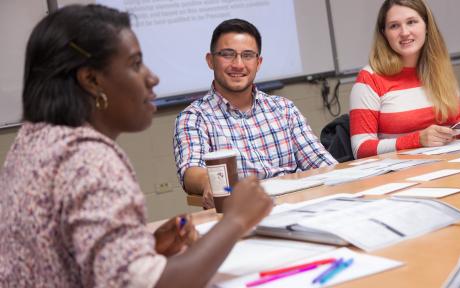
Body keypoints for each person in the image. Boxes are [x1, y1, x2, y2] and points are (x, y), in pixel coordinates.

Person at [0, 5, 272, 288]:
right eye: (135, 64)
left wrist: (147, 251)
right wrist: (236, 220)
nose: (152, 78)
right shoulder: (88, 160)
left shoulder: (34, 140)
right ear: (91, 80)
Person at [173, 19, 337, 208]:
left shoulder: (283, 108)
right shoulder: (194, 117)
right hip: (244, 214)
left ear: (258, 63)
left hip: (302, 206)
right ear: (210, 60)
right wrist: (208, 182)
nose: (238, 64)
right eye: (227, 54)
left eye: (248, 55)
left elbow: (320, 161)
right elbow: (191, 171)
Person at [349, 0, 460, 159]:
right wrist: (417, 140)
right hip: (401, 176)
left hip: (449, 165)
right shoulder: (369, 78)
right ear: (384, 33)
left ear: (426, 26)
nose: (404, 32)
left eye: (411, 22)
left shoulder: (440, 70)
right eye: (394, 26)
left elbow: (457, 119)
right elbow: (361, 149)